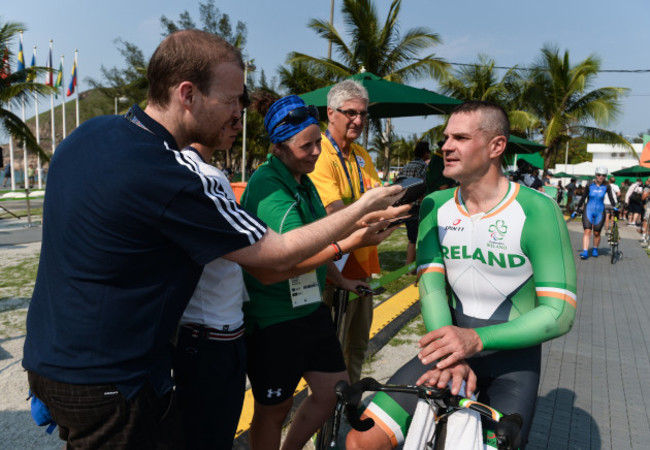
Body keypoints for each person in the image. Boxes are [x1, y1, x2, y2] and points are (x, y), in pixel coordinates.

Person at [22, 30, 404, 449]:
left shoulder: (91, 133)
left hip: (50, 360)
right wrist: (359, 211)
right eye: (231, 99)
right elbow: (274, 256)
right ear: (188, 94)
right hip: (111, 378)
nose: (239, 111)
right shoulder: (170, 176)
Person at [346, 101, 577, 450]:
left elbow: (560, 313)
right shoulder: (434, 205)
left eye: (461, 137)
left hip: (510, 365)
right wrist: (452, 354)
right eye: (445, 137)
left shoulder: (537, 210)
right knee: (361, 441)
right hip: (446, 349)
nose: (446, 146)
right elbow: (432, 288)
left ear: (496, 146)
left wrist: (475, 342)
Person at [238, 95, 400, 450]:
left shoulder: (302, 178)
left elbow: (317, 233)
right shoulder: (270, 189)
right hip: (274, 318)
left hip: (309, 309)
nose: (315, 151)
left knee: (332, 393)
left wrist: (339, 278)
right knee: (274, 407)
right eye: (306, 145)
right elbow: (288, 260)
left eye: (316, 142)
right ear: (279, 147)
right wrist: (350, 243)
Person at [309, 79, 383, 384]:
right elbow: (335, 214)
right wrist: (376, 219)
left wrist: (382, 217)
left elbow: (382, 201)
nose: (358, 120)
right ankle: (321, 420)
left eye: (363, 114)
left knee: (358, 346)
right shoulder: (320, 153)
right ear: (331, 113)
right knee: (329, 351)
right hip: (333, 268)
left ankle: (347, 406)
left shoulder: (362, 155)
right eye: (350, 112)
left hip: (362, 265)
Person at [397, 141, 431, 270]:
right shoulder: (423, 166)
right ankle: (410, 268)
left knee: (411, 238)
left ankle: (410, 266)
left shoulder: (407, 165)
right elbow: (420, 186)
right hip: (417, 206)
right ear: (425, 153)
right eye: (428, 152)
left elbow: (398, 182)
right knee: (417, 239)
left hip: (405, 205)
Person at [576, 167, 617, 259]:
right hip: (588, 210)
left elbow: (611, 198)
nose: (601, 177)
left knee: (597, 233)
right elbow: (583, 197)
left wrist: (615, 206)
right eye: (599, 175)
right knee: (587, 230)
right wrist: (577, 208)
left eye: (603, 175)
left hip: (600, 211)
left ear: (605, 176)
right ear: (596, 175)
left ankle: (595, 248)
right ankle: (585, 251)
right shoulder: (589, 184)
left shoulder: (607, 186)